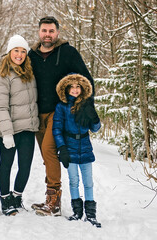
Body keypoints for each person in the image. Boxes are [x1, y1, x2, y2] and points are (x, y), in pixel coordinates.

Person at [28, 16, 95, 216]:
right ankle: (50, 197)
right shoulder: (31, 55)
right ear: (39, 32)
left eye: (51, 31)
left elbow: (86, 80)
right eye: (44, 31)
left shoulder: (67, 53)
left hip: (58, 113)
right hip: (36, 114)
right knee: (46, 157)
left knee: (49, 151)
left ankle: (54, 202)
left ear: (57, 33)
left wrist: (86, 108)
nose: (47, 35)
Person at [0, 35, 39, 216]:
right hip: (9, 130)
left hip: (27, 129)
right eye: (16, 51)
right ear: (9, 52)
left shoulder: (30, 73)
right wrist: (6, 133)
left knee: (25, 166)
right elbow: (0, 106)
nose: (19, 55)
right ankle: (5, 200)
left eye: (23, 51)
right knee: (6, 164)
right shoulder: (1, 76)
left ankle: (17, 196)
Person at [52, 73, 101, 228]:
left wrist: (95, 118)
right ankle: (77, 212)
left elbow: (96, 129)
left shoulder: (87, 104)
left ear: (82, 88)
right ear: (66, 89)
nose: (74, 90)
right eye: (71, 87)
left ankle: (91, 215)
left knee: (88, 182)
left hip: (85, 146)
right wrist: (62, 148)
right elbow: (57, 129)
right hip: (70, 146)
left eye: (77, 87)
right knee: (74, 181)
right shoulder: (62, 106)